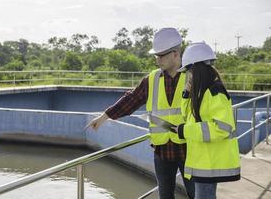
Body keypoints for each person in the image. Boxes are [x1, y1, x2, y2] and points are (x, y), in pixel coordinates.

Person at [85, 28, 195, 199]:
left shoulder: (193, 77)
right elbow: (132, 99)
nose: (157, 60)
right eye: (156, 56)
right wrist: (104, 116)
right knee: (165, 196)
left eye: (161, 55)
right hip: (163, 152)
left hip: (190, 149)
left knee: (196, 194)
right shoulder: (152, 79)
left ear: (175, 54)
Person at [172, 42, 241, 199]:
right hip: (203, 160)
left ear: (197, 69)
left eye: (189, 70)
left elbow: (222, 128)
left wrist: (185, 131)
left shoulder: (215, 92)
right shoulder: (201, 92)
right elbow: (187, 115)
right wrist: (186, 93)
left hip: (210, 162)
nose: (188, 75)